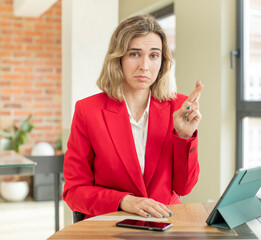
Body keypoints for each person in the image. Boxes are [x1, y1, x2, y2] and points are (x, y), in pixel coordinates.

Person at [62, 15, 203, 220]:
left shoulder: (179, 107)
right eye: (135, 54)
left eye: (154, 55)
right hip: (111, 223)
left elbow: (184, 187)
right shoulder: (88, 110)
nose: (144, 66)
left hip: (166, 223)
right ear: (118, 58)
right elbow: (74, 192)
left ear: (162, 62)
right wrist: (123, 201)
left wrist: (184, 136)